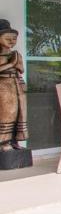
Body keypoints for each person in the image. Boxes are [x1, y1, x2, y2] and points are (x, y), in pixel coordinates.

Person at [0, 19, 28, 150]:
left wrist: (21, 82)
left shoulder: (16, 54)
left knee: (19, 113)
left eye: (14, 38)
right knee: (7, 113)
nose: (12, 41)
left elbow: (20, 69)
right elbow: (13, 66)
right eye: (8, 38)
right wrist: (11, 64)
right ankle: (3, 142)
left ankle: (14, 140)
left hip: (15, 85)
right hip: (3, 85)